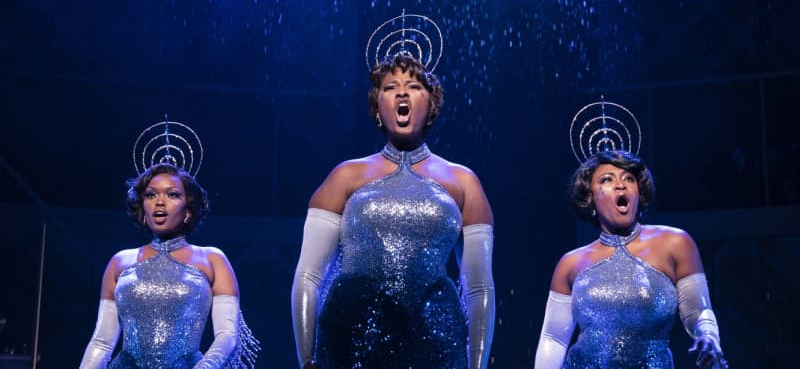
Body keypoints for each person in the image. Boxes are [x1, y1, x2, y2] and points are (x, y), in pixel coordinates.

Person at [291, 53, 495, 368]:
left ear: (432, 105)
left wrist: (477, 364)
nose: (401, 92)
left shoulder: (463, 182)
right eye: (390, 87)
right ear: (377, 107)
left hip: (436, 344)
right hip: (351, 342)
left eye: (413, 86)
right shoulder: (345, 177)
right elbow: (308, 275)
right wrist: (307, 359)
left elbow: (479, 287)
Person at [534, 150, 728, 369]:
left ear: (638, 192)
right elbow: (554, 339)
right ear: (590, 197)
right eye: (607, 180)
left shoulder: (675, 243)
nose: (621, 185)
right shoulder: (570, 264)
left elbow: (697, 310)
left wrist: (708, 336)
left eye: (629, 179)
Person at [80, 162, 258, 368]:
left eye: (172, 194)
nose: (159, 202)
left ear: (188, 209)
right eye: (151, 195)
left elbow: (227, 336)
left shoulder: (212, 259)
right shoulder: (120, 262)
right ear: (142, 207)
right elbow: (102, 342)